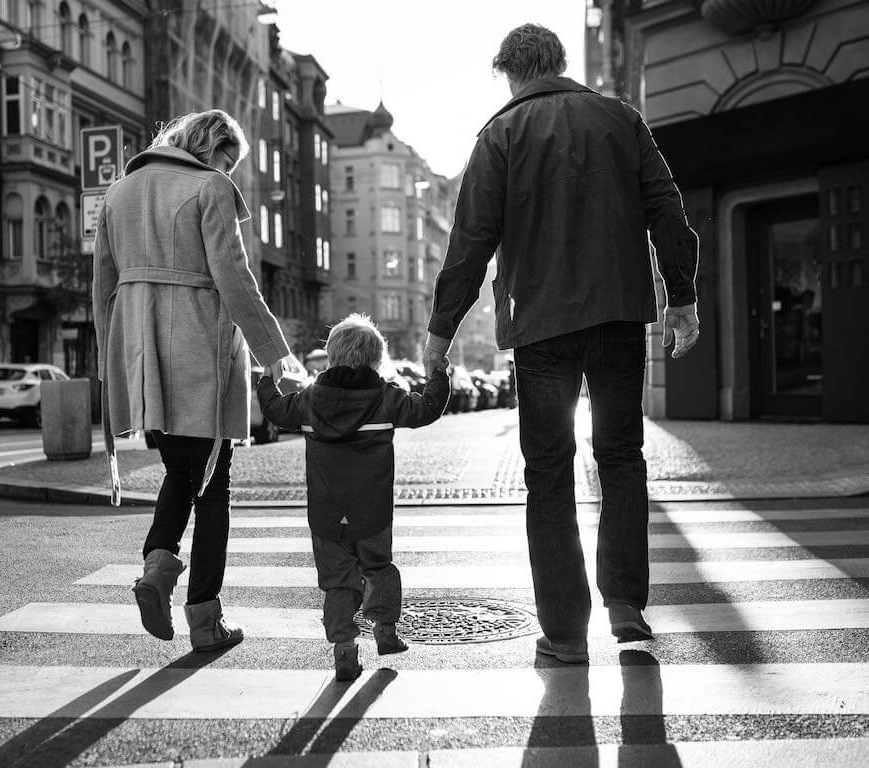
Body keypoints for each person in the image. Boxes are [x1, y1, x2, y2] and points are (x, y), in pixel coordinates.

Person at [423, 24, 700, 664]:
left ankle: (566, 632)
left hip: (540, 323)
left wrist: (440, 337)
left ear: (510, 72)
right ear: (560, 63)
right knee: (621, 456)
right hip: (618, 312)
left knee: (549, 473)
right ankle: (627, 604)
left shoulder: (499, 135)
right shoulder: (619, 118)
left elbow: (469, 246)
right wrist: (681, 297)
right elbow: (667, 208)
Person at [92, 109, 305, 652]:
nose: (229, 173)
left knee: (180, 472)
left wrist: (111, 363)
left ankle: (157, 574)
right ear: (208, 148)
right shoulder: (209, 189)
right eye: (228, 160)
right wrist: (278, 357)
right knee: (212, 487)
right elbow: (235, 280)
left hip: (143, 357)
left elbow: (102, 290)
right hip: (199, 352)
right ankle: (205, 619)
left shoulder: (117, 194)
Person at [257, 314, 450, 681]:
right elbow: (427, 409)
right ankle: (385, 630)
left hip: (327, 514)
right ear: (377, 360)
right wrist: (438, 374)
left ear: (330, 358)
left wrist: (269, 379)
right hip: (372, 510)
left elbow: (275, 411)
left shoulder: (309, 400)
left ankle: (344, 647)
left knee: (338, 580)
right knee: (378, 567)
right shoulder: (386, 398)